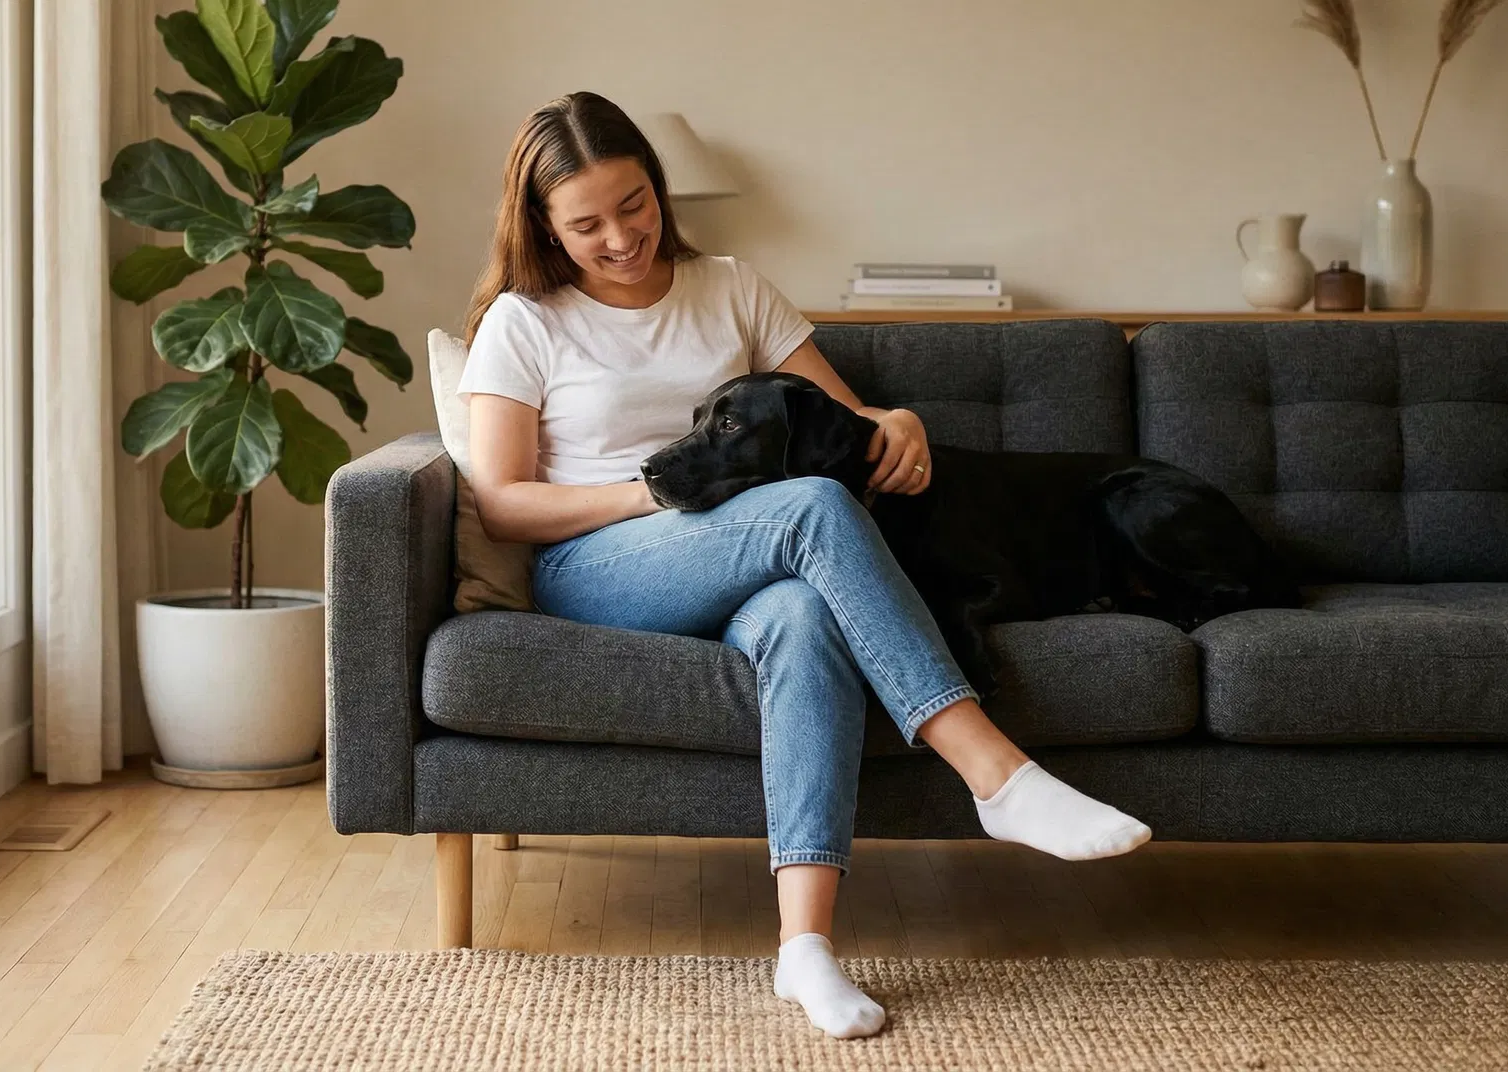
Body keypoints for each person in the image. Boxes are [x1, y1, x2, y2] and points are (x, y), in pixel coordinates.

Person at [456, 91, 1152, 1040]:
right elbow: (499, 499)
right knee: (813, 509)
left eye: (634, 206)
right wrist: (654, 496)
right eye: (586, 223)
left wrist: (899, 423)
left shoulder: (734, 286)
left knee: (804, 617)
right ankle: (995, 775)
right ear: (542, 224)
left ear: (659, 191)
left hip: (747, 559)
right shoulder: (525, 321)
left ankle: (805, 949)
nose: (620, 237)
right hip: (599, 562)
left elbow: (849, 426)